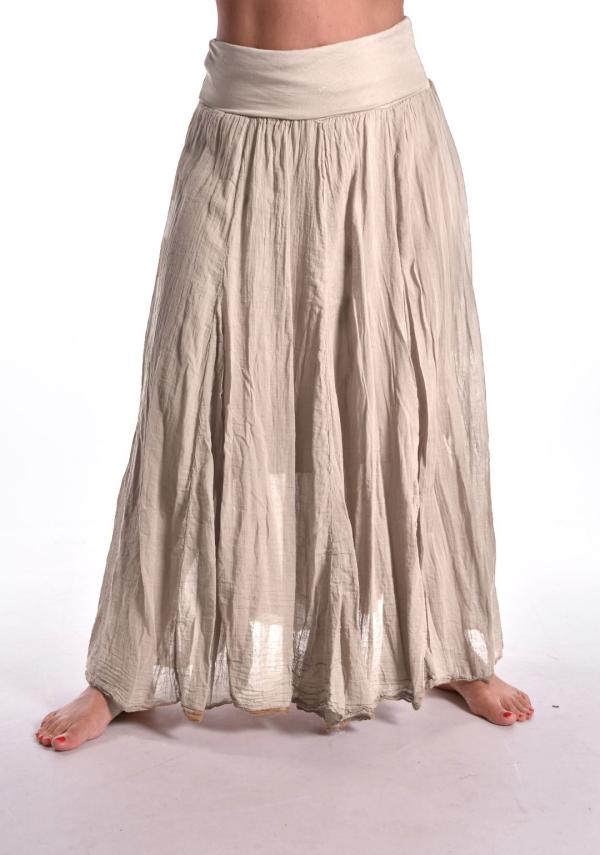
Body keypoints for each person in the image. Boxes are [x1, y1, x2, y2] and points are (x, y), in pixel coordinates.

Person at [36, 0, 534, 752]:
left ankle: (440, 643)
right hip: (240, 122)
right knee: (192, 395)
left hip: (382, 125)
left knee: (400, 398)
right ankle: (128, 667)